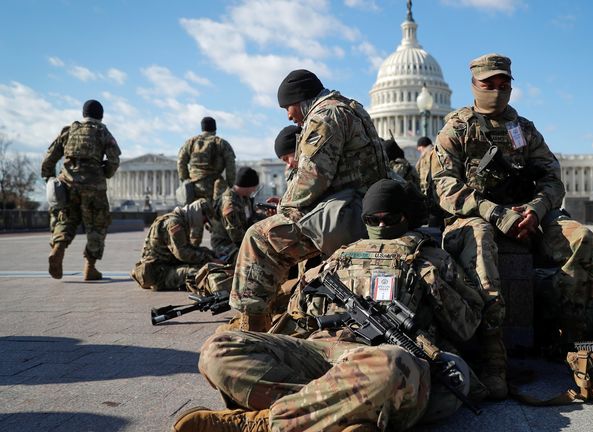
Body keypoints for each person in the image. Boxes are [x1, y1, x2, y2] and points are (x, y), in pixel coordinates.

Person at [173, 179, 487, 432]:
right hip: (323, 353)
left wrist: (432, 282)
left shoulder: (429, 258)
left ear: (404, 219)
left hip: (381, 360)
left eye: (387, 219)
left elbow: (466, 327)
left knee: (393, 368)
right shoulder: (341, 255)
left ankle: (260, 424)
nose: (379, 224)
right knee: (218, 349)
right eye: (371, 220)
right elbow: (301, 312)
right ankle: (343, 414)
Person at [431, 53, 593, 374]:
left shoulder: (524, 130)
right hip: (473, 216)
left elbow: (552, 178)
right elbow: (444, 186)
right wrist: (495, 213)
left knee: (581, 238)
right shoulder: (456, 129)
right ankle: (493, 348)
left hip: (526, 214)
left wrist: (535, 209)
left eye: (503, 84)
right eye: (488, 84)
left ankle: (572, 336)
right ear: (473, 84)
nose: (496, 90)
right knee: (480, 238)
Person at [228, 69, 389, 333]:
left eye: (288, 107)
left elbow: (312, 178)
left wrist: (283, 209)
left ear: (301, 99)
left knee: (258, 238)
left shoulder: (324, 116)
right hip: (362, 206)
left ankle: (252, 330)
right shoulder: (350, 108)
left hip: (350, 214)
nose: (289, 115)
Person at [41, 99, 121, 281]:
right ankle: (90, 267)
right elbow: (114, 160)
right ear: (101, 116)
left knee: (66, 219)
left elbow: (49, 159)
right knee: (97, 226)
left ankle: (58, 248)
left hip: (68, 182)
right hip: (94, 186)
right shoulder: (103, 132)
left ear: (83, 114)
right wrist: (105, 172)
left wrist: (50, 179)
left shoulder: (69, 131)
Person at [130, 199, 220, 292]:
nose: (203, 224)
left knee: (203, 265)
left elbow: (186, 249)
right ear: (198, 214)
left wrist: (208, 253)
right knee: (199, 272)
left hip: (165, 266)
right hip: (158, 273)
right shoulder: (174, 223)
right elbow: (182, 253)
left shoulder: (181, 220)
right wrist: (208, 259)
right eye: (204, 220)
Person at [177, 117, 237, 203]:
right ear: (215, 129)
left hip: (193, 187)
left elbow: (180, 162)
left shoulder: (190, 142)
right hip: (214, 187)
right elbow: (231, 166)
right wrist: (230, 185)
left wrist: (186, 180)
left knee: (195, 212)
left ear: (202, 129)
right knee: (216, 213)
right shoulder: (221, 143)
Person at [209, 167, 263, 261]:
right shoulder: (229, 204)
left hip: (240, 241)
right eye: (254, 187)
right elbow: (236, 236)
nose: (254, 190)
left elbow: (250, 218)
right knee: (257, 259)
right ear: (247, 185)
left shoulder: (244, 198)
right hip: (225, 245)